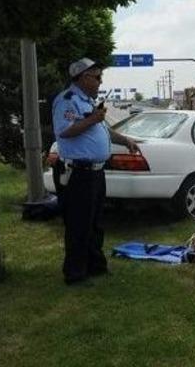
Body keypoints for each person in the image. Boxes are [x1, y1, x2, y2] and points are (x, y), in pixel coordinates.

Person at [52, 58, 140, 286]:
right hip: (78, 173)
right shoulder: (67, 101)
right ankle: (75, 274)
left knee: (95, 223)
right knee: (79, 224)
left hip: (95, 174)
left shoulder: (88, 102)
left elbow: (104, 131)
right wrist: (92, 119)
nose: (101, 82)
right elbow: (65, 132)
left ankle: (95, 266)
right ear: (83, 78)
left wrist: (125, 140)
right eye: (97, 77)